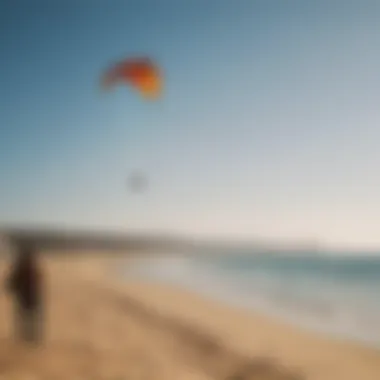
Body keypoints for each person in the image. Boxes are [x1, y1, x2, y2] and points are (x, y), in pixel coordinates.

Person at [6, 243, 44, 343]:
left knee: (26, 316)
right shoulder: (32, 267)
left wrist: (10, 287)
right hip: (31, 295)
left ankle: (29, 336)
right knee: (30, 317)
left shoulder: (22, 266)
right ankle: (31, 336)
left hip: (26, 296)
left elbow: (13, 280)